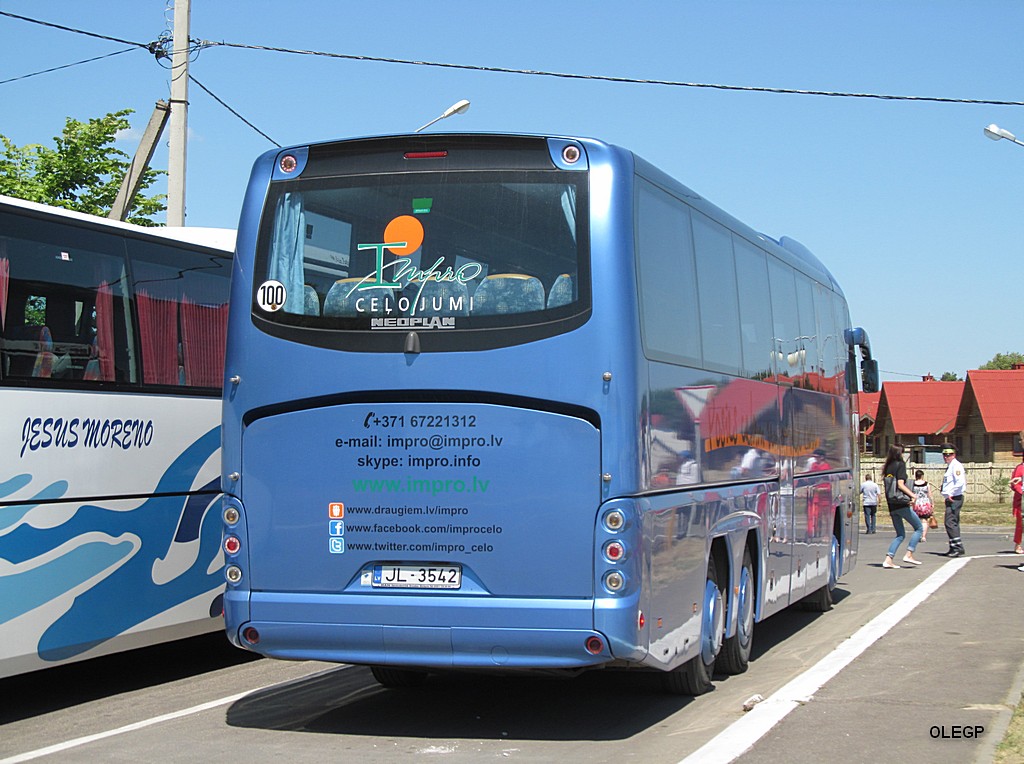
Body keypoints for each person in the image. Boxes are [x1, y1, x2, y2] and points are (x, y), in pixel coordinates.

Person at [882, 444, 923, 568]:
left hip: (892, 505)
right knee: (919, 528)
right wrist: (913, 496)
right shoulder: (900, 465)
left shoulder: (887, 467)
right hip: (901, 504)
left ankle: (888, 559)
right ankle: (909, 554)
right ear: (900, 453)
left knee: (900, 534)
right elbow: (900, 484)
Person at [940, 442, 967, 557]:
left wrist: (950, 493)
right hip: (951, 498)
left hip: (955, 498)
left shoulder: (956, 466)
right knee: (952, 522)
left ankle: (958, 547)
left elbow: (960, 482)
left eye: (949, 454)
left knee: (950, 522)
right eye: (945, 455)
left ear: (954, 455)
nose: (946, 457)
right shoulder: (950, 466)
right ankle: (953, 546)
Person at [911, 469, 934, 542]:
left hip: (916, 503)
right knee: (924, 520)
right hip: (925, 503)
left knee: (916, 519)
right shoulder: (926, 484)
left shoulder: (912, 484)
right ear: (922, 476)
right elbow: (930, 494)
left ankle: (918, 534)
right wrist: (932, 503)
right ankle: (923, 536)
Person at [1011, 446, 1024, 556]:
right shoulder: (1020, 468)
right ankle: (1018, 544)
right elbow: (1015, 484)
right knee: (1020, 524)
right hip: (1021, 501)